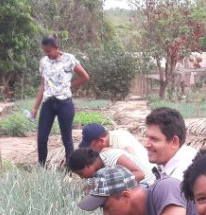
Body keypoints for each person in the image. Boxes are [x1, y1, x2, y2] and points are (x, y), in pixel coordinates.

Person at [32, 35, 89, 167]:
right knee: (41, 138)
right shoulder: (44, 62)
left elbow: (85, 77)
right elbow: (42, 86)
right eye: (45, 51)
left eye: (49, 51)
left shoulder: (69, 59)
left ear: (56, 48)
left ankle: (70, 171)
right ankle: (42, 168)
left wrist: (70, 85)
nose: (47, 54)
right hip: (48, 103)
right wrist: (35, 108)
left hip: (64, 104)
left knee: (67, 139)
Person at [144, 107, 198, 182]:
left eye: (154, 139)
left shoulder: (179, 180)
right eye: (147, 137)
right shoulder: (187, 153)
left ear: (174, 142)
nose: (146, 144)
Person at [79, 123, 154, 175]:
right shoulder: (115, 135)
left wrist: (110, 151)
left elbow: (132, 157)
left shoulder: (120, 139)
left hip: (148, 175)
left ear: (101, 141)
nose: (92, 150)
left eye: (92, 146)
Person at [67, 147, 156, 186]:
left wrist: (112, 184)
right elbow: (90, 191)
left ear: (88, 165)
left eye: (81, 173)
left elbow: (140, 175)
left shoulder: (112, 157)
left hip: (147, 184)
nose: (81, 177)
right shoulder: (93, 175)